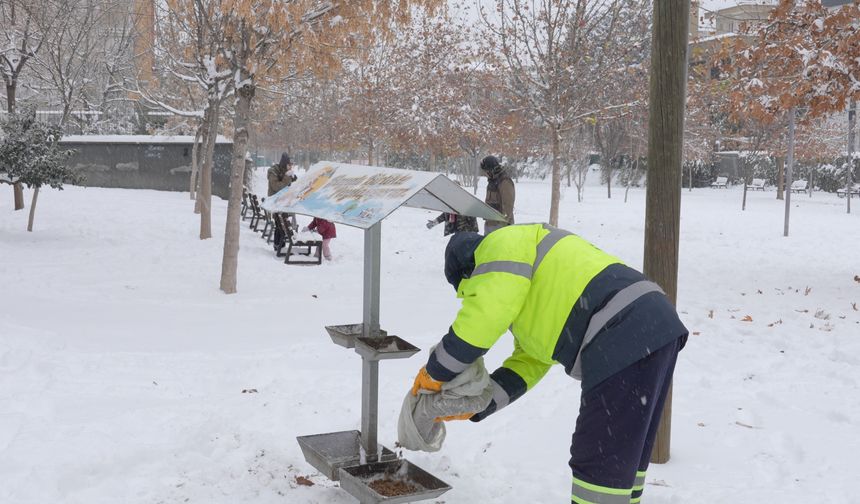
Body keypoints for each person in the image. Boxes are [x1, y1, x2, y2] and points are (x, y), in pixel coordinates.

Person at [409, 224, 688, 504]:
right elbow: (530, 362)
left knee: (599, 459)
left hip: (620, 326)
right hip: (654, 322)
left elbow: (483, 319)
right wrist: (479, 405)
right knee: (624, 454)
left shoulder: (498, 248)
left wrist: (434, 373)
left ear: (468, 272)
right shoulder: (526, 279)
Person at [268, 153, 297, 252]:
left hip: (284, 203)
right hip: (275, 202)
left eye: (291, 165)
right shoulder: (273, 172)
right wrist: (287, 178)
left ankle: (280, 245)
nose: (291, 167)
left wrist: (293, 179)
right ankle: (278, 246)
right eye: (289, 165)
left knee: (282, 224)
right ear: (284, 164)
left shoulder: (285, 172)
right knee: (279, 224)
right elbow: (276, 187)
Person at [480, 155, 515, 234]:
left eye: (486, 171)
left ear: (491, 170)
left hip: (500, 225)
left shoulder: (504, 181)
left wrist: (504, 224)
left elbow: (508, 205)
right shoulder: (492, 181)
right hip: (490, 223)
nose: (485, 174)